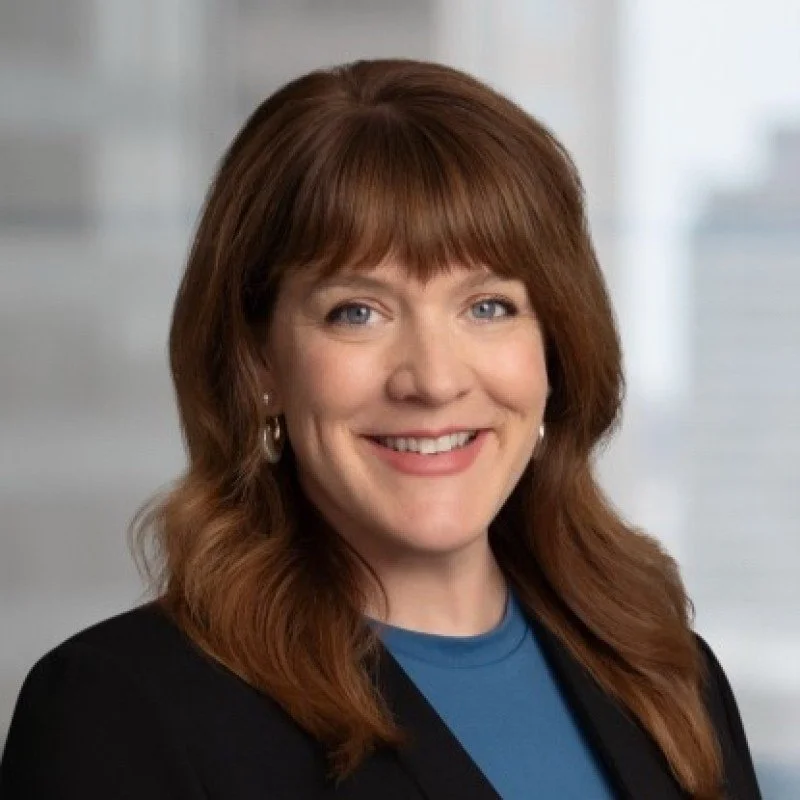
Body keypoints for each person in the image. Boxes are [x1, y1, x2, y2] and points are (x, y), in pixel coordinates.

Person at [0, 58, 762, 800]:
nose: (433, 379)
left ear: (553, 347)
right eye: (356, 312)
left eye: (487, 306)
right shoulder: (123, 711)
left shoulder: (663, 672)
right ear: (258, 362)